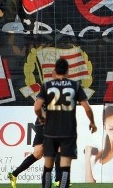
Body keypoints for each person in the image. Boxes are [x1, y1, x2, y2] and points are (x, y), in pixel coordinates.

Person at [34, 57, 97, 188]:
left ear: (55, 71)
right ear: (68, 71)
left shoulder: (46, 86)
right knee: (65, 165)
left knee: (48, 165)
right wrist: (92, 123)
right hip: (68, 131)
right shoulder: (75, 86)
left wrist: (41, 117)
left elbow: (37, 107)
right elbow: (87, 108)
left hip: (50, 131)